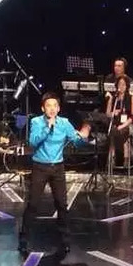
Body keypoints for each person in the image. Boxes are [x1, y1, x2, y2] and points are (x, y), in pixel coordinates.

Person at [18, 92, 90, 255]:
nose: (51, 109)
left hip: (58, 167)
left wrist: (83, 136)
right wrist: (47, 128)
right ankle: (23, 239)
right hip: (40, 166)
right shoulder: (37, 122)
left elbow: (76, 141)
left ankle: (65, 240)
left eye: (54, 106)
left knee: (61, 204)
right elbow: (33, 141)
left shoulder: (64, 123)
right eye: (48, 106)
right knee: (33, 204)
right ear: (43, 108)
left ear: (58, 108)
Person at [106, 75, 133, 168]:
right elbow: (108, 114)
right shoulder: (114, 98)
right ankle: (111, 159)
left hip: (128, 124)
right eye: (119, 84)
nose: (121, 86)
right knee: (112, 131)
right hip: (116, 123)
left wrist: (122, 126)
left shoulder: (132, 98)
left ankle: (126, 159)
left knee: (123, 131)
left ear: (127, 86)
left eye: (123, 84)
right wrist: (113, 112)